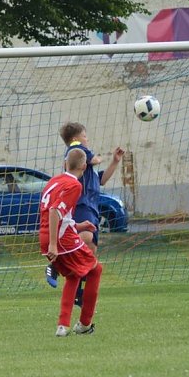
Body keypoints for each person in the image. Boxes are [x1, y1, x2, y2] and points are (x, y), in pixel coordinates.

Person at [45, 122, 124, 301]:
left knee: (90, 250)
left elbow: (102, 179)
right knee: (86, 236)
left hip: (92, 207)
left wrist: (115, 161)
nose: (87, 139)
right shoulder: (76, 150)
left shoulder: (88, 168)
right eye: (85, 135)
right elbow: (93, 159)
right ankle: (55, 264)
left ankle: (76, 291)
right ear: (75, 139)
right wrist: (98, 157)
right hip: (82, 203)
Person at [40, 147, 103, 336]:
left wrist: (79, 226)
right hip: (60, 239)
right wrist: (54, 244)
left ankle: (63, 325)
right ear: (85, 166)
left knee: (74, 276)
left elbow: (57, 216)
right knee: (96, 270)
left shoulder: (54, 181)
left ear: (65, 163)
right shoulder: (75, 186)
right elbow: (54, 211)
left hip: (46, 235)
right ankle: (84, 324)